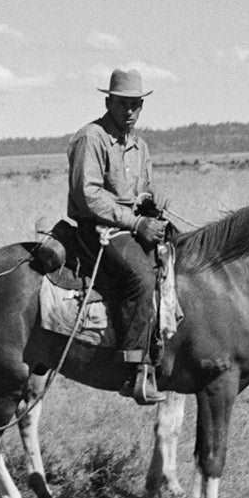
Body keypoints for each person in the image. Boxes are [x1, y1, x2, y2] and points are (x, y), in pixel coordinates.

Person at [66, 68, 167, 405]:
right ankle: (134, 369)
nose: (131, 111)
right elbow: (89, 195)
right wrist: (135, 223)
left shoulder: (140, 145)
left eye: (136, 104)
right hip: (98, 229)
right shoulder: (91, 138)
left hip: (132, 223)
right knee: (141, 277)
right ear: (109, 101)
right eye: (124, 104)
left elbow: (145, 188)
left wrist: (149, 207)